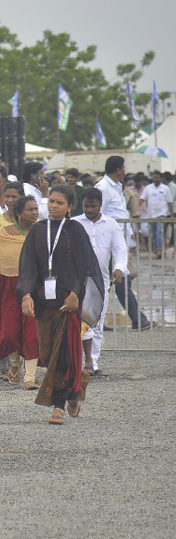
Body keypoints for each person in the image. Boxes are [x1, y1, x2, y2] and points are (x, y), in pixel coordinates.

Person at [18, 185, 103, 425]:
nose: (54, 206)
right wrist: (26, 295)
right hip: (44, 303)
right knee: (46, 353)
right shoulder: (37, 231)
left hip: (68, 301)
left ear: (69, 207)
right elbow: (27, 266)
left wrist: (76, 292)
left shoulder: (75, 230)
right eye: (51, 201)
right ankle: (77, 385)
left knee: (62, 355)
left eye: (60, 203)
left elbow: (83, 266)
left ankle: (58, 406)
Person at [0, 194, 41, 387]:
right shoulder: (4, 233)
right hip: (9, 287)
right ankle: (15, 364)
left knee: (33, 331)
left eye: (35, 209)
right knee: (10, 333)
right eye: (30, 209)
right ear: (19, 214)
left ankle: (30, 377)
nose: (34, 213)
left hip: (35, 288)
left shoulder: (41, 231)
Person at [72, 188, 126, 377]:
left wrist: (118, 268)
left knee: (97, 321)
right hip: (76, 280)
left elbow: (120, 249)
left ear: (100, 204)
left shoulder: (111, 224)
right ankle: (76, 362)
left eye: (93, 206)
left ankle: (92, 363)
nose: (89, 209)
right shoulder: (74, 223)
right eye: (86, 206)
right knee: (76, 321)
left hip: (101, 280)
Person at [94, 156, 151, 329]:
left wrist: (130, 233)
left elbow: (120, 213)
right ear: (119, 169)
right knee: (117, 280)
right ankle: (137, 319)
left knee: (115, 280)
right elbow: (98, 214)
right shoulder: (103, 187)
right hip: (108, 242)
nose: (124, 171)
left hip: (120, 240)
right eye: (123, 168)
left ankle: (97, 318)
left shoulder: (117, 187)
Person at [141, 171, 172, 256]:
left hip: (162, 214)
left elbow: (170, 202)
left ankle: (159, 249)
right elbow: (142, 199)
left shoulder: (165, 188)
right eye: (154, 177)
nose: (155, 179)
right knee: (154, 233)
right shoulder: (148, 188)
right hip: (151, 215)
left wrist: (172, 215)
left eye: (157, 177)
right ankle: (157, 249)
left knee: (159, 232)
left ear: (160, 178)